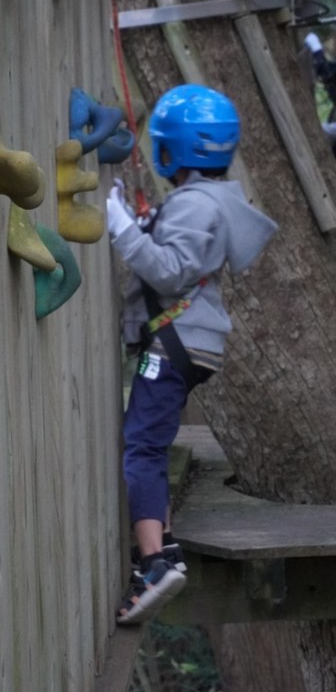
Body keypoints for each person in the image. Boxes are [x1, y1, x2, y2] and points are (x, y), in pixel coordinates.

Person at [106, 83, 278, 625]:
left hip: (176, 339)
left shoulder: (196, 205)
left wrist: (120, 231)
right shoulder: (211, 203)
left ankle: (155, 563)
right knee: (151, 446)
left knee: (142, 449)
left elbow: (170, 270)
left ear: (169, 149)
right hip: (191, 343)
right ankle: (168, 547)